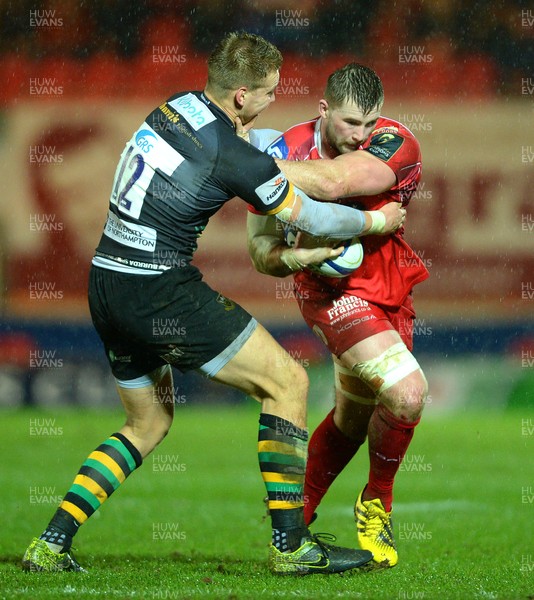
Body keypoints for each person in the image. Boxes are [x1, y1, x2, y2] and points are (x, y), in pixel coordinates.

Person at [22, 34, 405, 576]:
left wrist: (251, 143)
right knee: (288, 384)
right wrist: (375, 222)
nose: (275, 100)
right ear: (243, 95)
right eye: (270, 93)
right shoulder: (233, 154)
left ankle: (51, 542)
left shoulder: (175, 106)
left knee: (147, 424)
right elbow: (313, 218)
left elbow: (214, 149)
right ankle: (293, 546)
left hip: (107, 281)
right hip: (159, 291)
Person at [247, 62, 429, 568]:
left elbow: (331, 184)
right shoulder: (286, 147)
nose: (361, 136)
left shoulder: (397, 142)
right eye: (351, 123)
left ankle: (295, 523)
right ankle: (377, 503)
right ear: (323, 109)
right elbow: (261, 252)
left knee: (354, 417)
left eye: (370, 124)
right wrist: (298, 258)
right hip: (330, 289)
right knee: (407, 394)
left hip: (390, 284)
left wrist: (242, 169)